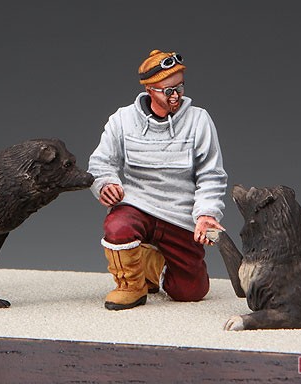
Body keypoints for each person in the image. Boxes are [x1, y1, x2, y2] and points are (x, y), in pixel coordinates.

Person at [88, 49, 228, 310]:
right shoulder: (122, 119)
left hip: (179, 215)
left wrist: (206, 214)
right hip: (136, 206)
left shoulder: (199, 120)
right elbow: (101, 162)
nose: (175, 96)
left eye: (179, 88)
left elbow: (211, 174)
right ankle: (131, 285)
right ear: (150, 89)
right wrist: (105, 184)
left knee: (192, 290)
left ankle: (146, 264)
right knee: (118, 228)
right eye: (167, 90)